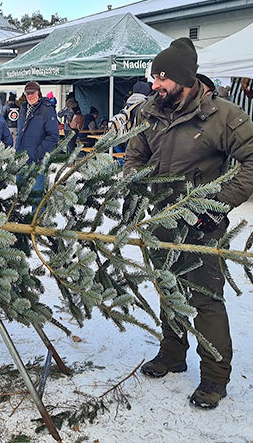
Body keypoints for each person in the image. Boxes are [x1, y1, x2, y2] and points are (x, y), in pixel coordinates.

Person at [124, 37, 253, 409]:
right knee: (168, 289)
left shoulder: (223, 116)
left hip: (201, 223)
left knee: (206, 299)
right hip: (161, 219)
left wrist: (219, 203)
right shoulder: (150, 111)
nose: (155, 86)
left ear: (185, 79)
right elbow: (136, 153)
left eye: (162, 79)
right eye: (154, 78)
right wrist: (136, 188)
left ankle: (214, 378)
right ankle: (172, 354)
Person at [15, 81, 59, 193]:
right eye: (27, 93)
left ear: (39, 93)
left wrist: (37, 154)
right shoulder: (24, 109)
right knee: (20, 196)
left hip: (37, 161)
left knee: (37, 195)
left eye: (32, 93)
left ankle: (37, 212)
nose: (30, 96)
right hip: (21, 159)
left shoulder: (47, 109)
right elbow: (21, 132)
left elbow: (53, 136)